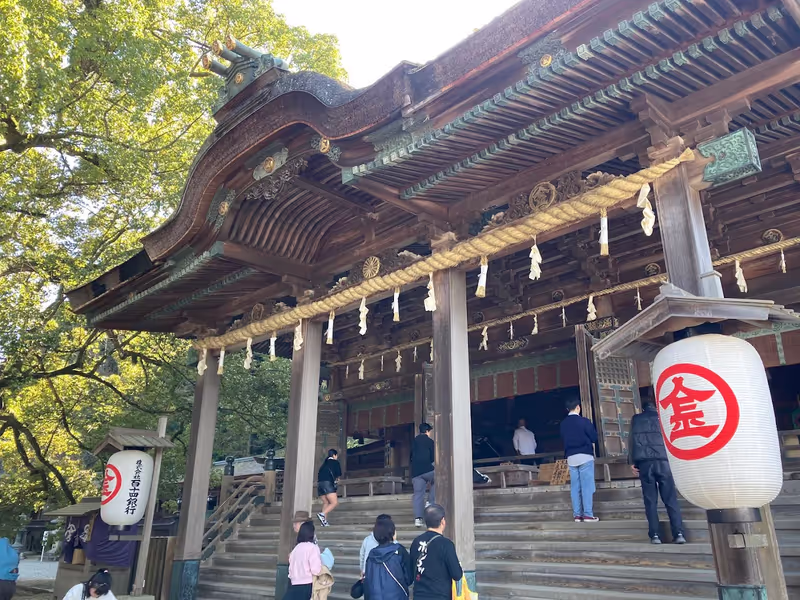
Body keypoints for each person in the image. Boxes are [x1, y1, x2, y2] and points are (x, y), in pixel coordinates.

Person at [629, 399, 686, 545]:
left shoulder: (637, 419)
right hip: (664, 461)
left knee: (650, 501)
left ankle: (655, 535)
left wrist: (632, 462)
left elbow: (632, 441)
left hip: (645, 463)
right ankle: (678, 533)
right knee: (670, 499)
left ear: (643, 408)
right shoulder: (665, 419)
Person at [410, 504, 462, 600]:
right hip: (440, 596)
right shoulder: (446, 544)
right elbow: (457, 575)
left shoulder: (416, 542)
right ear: (442, 521)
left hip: (419, 596)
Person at [560, 398, 599, 523]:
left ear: (567, 409)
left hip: (571, 457)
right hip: (585, 456)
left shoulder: (563, 424)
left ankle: (577, 515)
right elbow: (594, 437)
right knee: (587, 486)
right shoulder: (584, 421)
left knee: (575, 487)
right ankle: (588, 514)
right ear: (578, 407)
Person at [364, 516, 413, 600]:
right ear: (392, 532)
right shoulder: (399, 551)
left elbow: (368, 581)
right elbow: (409, 578)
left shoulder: (371, 554)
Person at [285, 521, 322, 600]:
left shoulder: (296, 548)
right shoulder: (313, 548)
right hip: (307, 584)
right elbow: (315, 570)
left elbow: (291, 566)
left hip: (293, 583)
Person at [411, 423, 435, 527]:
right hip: (428, 470)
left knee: (418, 495)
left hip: (416, 472)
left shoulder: (414, 441)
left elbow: (410, 456)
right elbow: (433, 457)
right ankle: (430, 502)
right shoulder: (430, 441)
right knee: (439, 480)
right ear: (427, 431)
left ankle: (418, 519)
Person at [317, 449, 342, 527]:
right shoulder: (335, 462)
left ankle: (324, 522)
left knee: (326, 502)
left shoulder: (324, 464)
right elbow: (338, 474)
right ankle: (322, 514)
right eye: (336, 455)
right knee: (334, 502)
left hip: (320, 484)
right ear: (334, 455)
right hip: (327, 484)